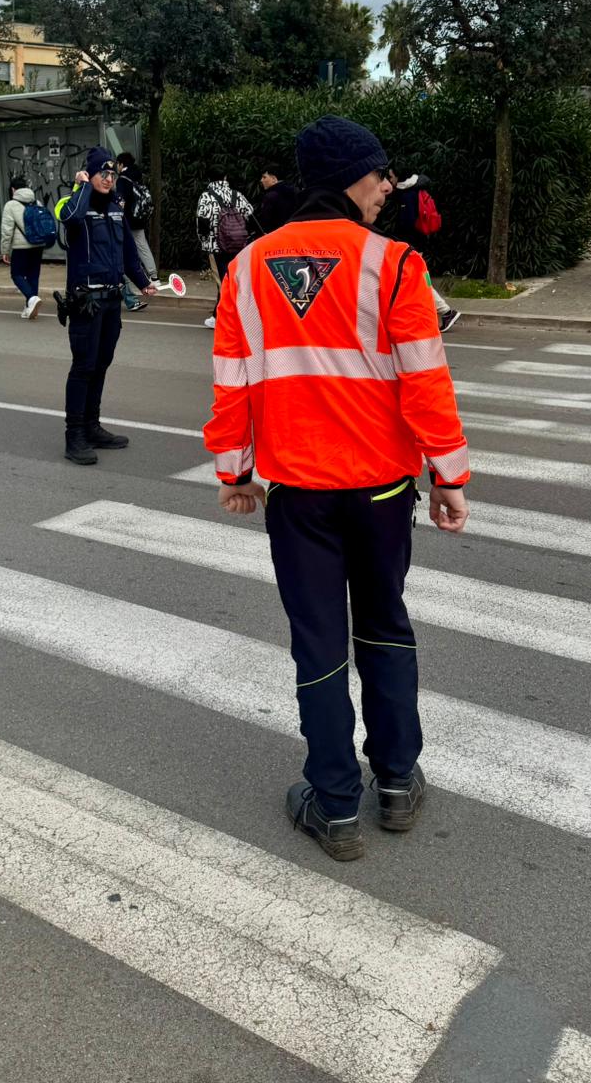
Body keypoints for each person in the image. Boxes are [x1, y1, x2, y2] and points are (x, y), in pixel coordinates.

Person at [204, 115, 471, 863]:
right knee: (385, 626)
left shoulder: (249, 267)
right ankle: (395, 782)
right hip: (383, 492)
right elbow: (426, 384)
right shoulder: (395, 266)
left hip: (299, 495)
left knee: (318, 642)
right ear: (349, 178)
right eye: (381, 174)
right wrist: (447, 478)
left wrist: (234, 471)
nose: (389, 187)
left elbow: (232, 382)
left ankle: (333, 803)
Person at [58, 148, 155, 464]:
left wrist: (143, 282)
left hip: (112, 301)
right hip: (87, 302)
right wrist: (81, 187)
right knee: (83, 366)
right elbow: (69, 217)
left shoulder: (115, 209)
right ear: (89, 174)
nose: (109, 179)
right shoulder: (76, 207)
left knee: (100, 365)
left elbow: (128, 252)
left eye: (112, 175)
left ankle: (92, 426)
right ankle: (75, 437)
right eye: (102, 173)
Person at [389, 171, 460, 333]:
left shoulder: (407, 195)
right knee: (418, 280)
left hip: (411, 246)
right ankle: (430, 314)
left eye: (391, 176)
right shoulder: (414, 190)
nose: (389, 179)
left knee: (418, 281)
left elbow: (407, 224)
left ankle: (446, 312)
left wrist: (397, 240)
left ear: (399, 177)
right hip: (417, 245)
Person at [196, 177, 254, 329]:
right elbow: (250, 214)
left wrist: (205, 242)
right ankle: (232, 313)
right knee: (235, 279)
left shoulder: (207, 196)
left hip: (216, 247)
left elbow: (202, 222)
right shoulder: (237, 195)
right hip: (238, 246)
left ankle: (221, 316)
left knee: (222, 281)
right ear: (226, 178)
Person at [115, 151, 158, 312]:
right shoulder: (137, 175)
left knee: (123, 256)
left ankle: (131, 297)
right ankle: (153, 274)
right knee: (141, 245)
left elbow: (121, 201)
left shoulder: (122, 180)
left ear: (120, 164)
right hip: (139, 217)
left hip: (127, 220)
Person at [0, 176, 47, 320]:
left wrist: (5, 251)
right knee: (33, 275)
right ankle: (29, 307)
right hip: (38, 244)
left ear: (13, 189)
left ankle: (32, 298)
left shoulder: (10, 205)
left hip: (21, 246)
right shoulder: (36, 202)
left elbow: (7, 230)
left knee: (17, 274)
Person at [253, 168, 299, 235]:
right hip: (296, 233)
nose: (261, 180)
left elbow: (266, 222)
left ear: (274, 179)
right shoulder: (295, 191)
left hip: (278, 236)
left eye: (264, 177)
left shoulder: (270, 197)